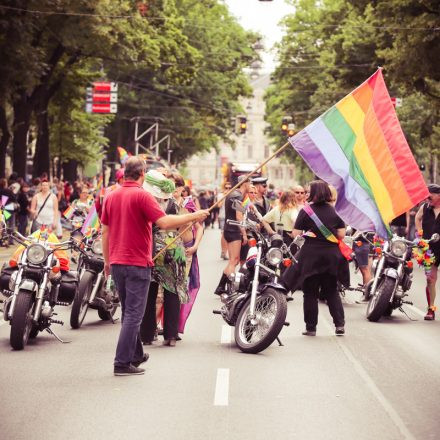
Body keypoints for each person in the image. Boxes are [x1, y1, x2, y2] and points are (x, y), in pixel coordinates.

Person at [101, 157, 208, 376]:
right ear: (142, 175)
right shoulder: (142, 195)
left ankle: (136, 354)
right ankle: (122, 363)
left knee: (128, 311)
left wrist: (106, 260)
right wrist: (195, 215)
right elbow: (165, 222)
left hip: (118, 262)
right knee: (133, 315)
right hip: (138, 262)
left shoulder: (111, 196)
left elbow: (105, 231)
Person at [282, 180, 346, 336]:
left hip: (311, 256)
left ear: (316, 193)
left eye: (309, 191)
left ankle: (311, 328)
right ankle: (339, 326)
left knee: (310, 292)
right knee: (331, 291)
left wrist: (309, 233)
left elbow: (296, 234)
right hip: (331, 255)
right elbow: (341, 235)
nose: (307, 193)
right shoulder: (336, 211)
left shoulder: (306, 211)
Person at [214, 175, 250, 295]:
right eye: (250, 183)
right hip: (234, 231)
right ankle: (228, 287)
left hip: (229, 230)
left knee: (233, 260)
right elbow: (238, 217)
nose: (251, 186)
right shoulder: (237, 196)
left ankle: (220, 287)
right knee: (233, 261)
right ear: (245, 184)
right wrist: (244, 234)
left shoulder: (232, 194)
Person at [415, 183, 440, 321]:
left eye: (429, 196)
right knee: (430, 279)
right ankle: (431, 309)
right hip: (429, 247)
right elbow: (417, 218)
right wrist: (420, 234)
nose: (426, 198)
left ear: (438, 195)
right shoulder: (425, 207)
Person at [218, 182, 231, 260]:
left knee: (228, 235)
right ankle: (223, 252)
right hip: (223, 216)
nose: (228, 189)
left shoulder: (233, 195)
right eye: (226, 188)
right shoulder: (220, 195)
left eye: (229, 188)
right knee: (223, 234)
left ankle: (226, 252)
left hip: (230, 217)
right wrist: (224, 196)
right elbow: (219, 205)